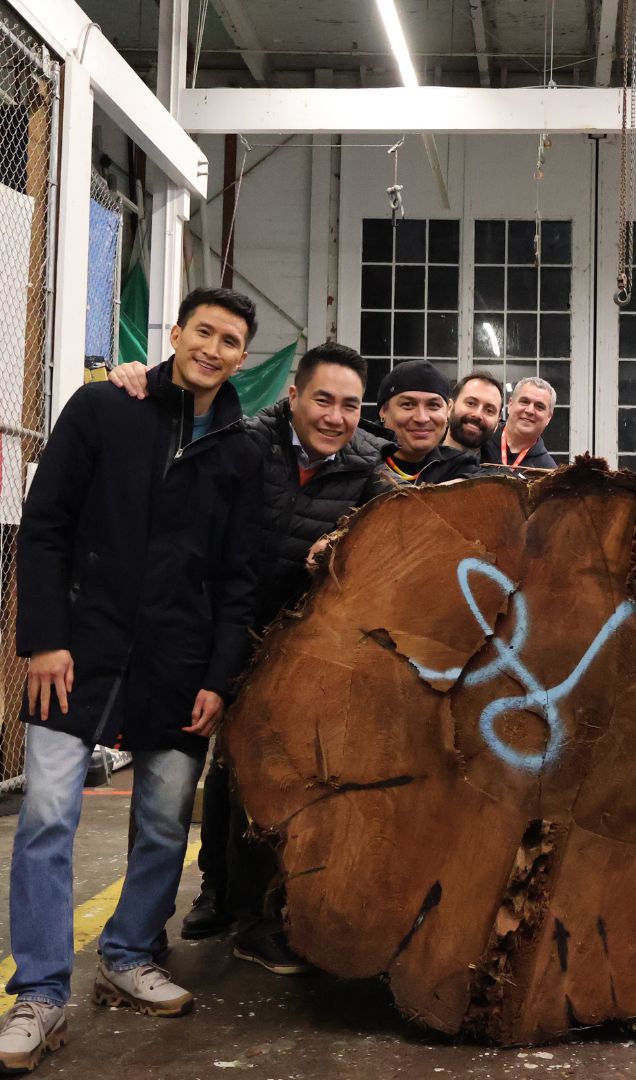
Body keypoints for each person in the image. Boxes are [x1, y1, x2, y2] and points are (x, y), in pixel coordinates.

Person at [0, 288, 263, 1073]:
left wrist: (219, 676)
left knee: (163, 822)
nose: (213, 349)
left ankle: (126, 955)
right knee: (47, 816)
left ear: (243, 357)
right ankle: (40, 993)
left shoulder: (242, 452)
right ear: (175, 333)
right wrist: (44, 640)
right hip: (78, 652)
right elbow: (45, 527)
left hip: (178, 665)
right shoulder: (102, 410)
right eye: (203, 331)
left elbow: (239, 578)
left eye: (230, 341)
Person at [106, 341, 399, 974]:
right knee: (173, 788)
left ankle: (260, 918)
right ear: (293, 395)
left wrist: (342, 543)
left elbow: (410, 524)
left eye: (350, 406)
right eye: (323, 400)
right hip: (205, 637)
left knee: (272, 781)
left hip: (290, 653)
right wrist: (134, 379)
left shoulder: (368, 468)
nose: (336, 417)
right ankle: (173, 913)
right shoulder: (243, 445)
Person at [377, 360, 486, 483]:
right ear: (383, 410)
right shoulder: (362, 461)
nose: (422, 418)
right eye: (407, 405)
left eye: (433, 405)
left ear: (448, 410)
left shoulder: (456, 466)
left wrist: (462, 485)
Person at [480, 376, 558, 469]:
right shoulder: (479, 441)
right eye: (524, 402)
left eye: (539, 406)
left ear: (549, 417)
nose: (530, 411)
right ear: (510, 404)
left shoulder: (548, 471)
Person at [443, 370, 504, 453]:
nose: (478, 414)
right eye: (470, 403)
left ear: (497, 423)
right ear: (450, 407)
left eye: (489, 411)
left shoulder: (498, 461)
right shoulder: (425, 457)